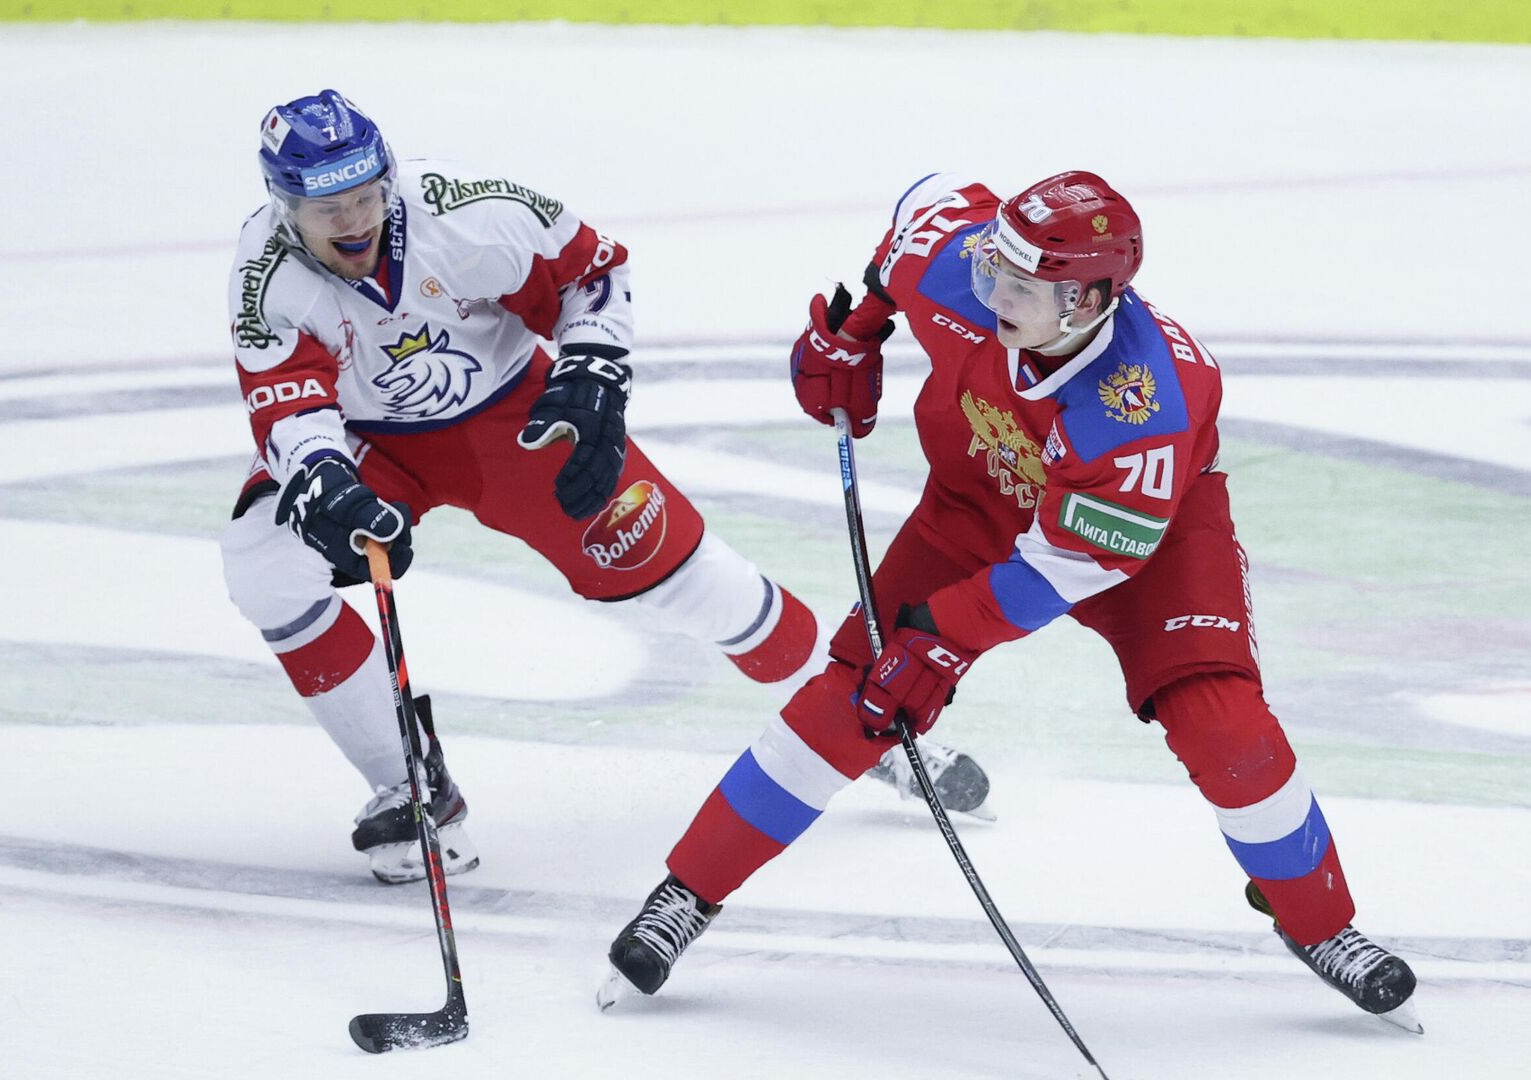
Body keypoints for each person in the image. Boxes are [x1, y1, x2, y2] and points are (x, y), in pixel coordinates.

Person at [601, 171, 1421, 1031]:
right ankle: (687, 893)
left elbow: (1063, 568)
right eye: (993, 268)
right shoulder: (963, 267)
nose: (992, 293)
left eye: (1021, 288)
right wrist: (857, 331)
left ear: (1092, 298)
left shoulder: (1141, 408)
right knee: (860, 691)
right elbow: (921, 213)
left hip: (1151, 550)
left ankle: (1322, 923)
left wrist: (942, 639)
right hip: (974, 508)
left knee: (1223, 723)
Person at [218, 91, 991, 886]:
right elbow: (288, 401)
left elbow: (594, 271)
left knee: (704, 587)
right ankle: (412, 787)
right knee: (261, 561)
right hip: (368, 440)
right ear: (284, 208)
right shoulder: (264, 274)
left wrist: (591, 368)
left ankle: (868, 726)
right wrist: (324, 481)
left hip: (518, 418)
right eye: (328, 208)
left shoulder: (468, 213)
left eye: (366, 195)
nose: (355, 221)